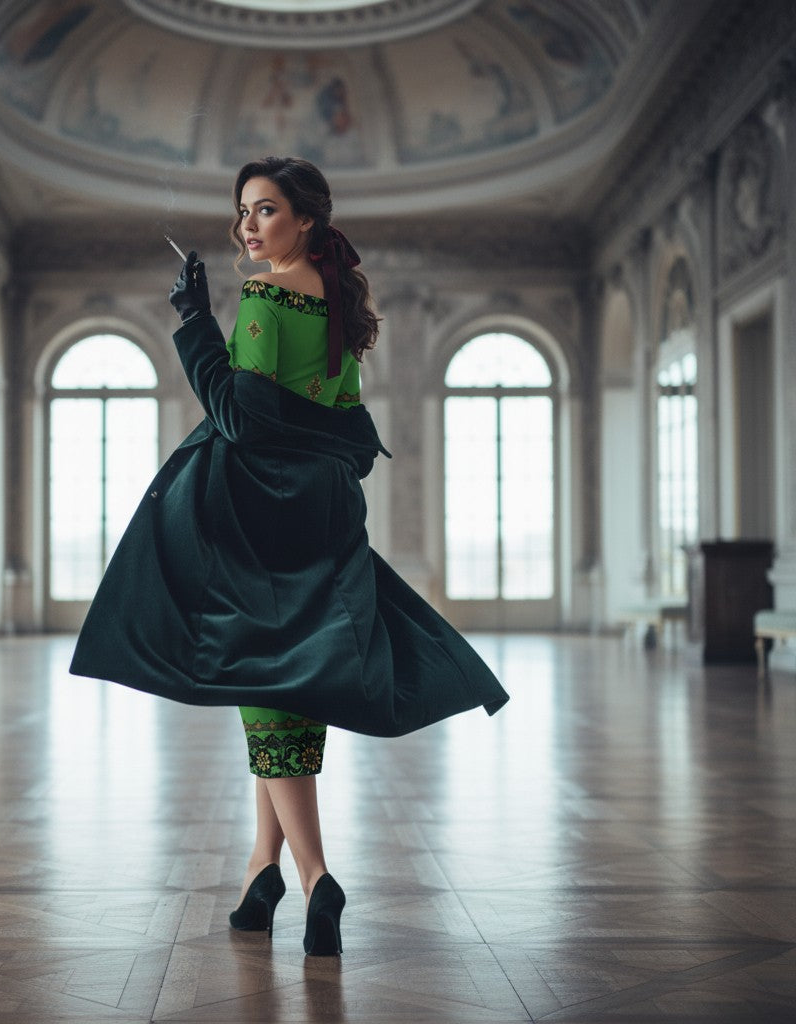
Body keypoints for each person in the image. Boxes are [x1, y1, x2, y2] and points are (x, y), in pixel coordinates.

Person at [70, 156, 508, 957]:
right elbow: (346, 424)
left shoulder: (267, 299)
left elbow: (242, 418)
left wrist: (197, 325)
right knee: (288, 674)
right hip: (324, 509)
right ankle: (257, 874)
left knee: (259, 673)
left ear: (305, 218)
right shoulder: (336, 305)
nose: (248, 227)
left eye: (265, 211)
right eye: (243, 212)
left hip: (258, 512)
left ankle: (316, 877)